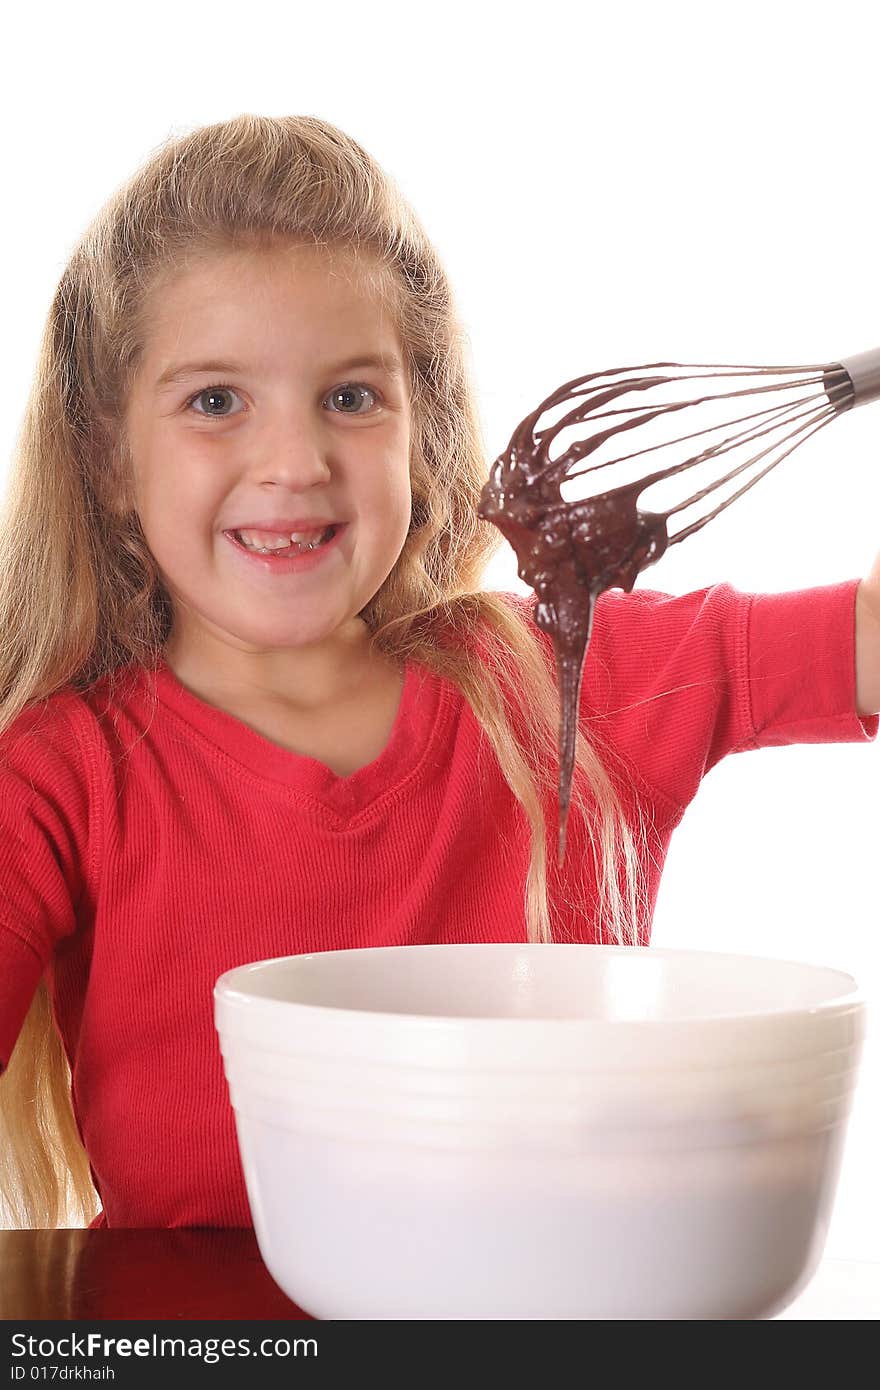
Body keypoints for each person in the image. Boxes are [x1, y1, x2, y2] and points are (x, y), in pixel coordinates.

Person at [1, 114, 877, 1233]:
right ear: (108, 459)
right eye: (215, 401)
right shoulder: (63, 775)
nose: (295, 461)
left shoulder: (571, 682)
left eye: (351, 397)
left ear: (425, 433)